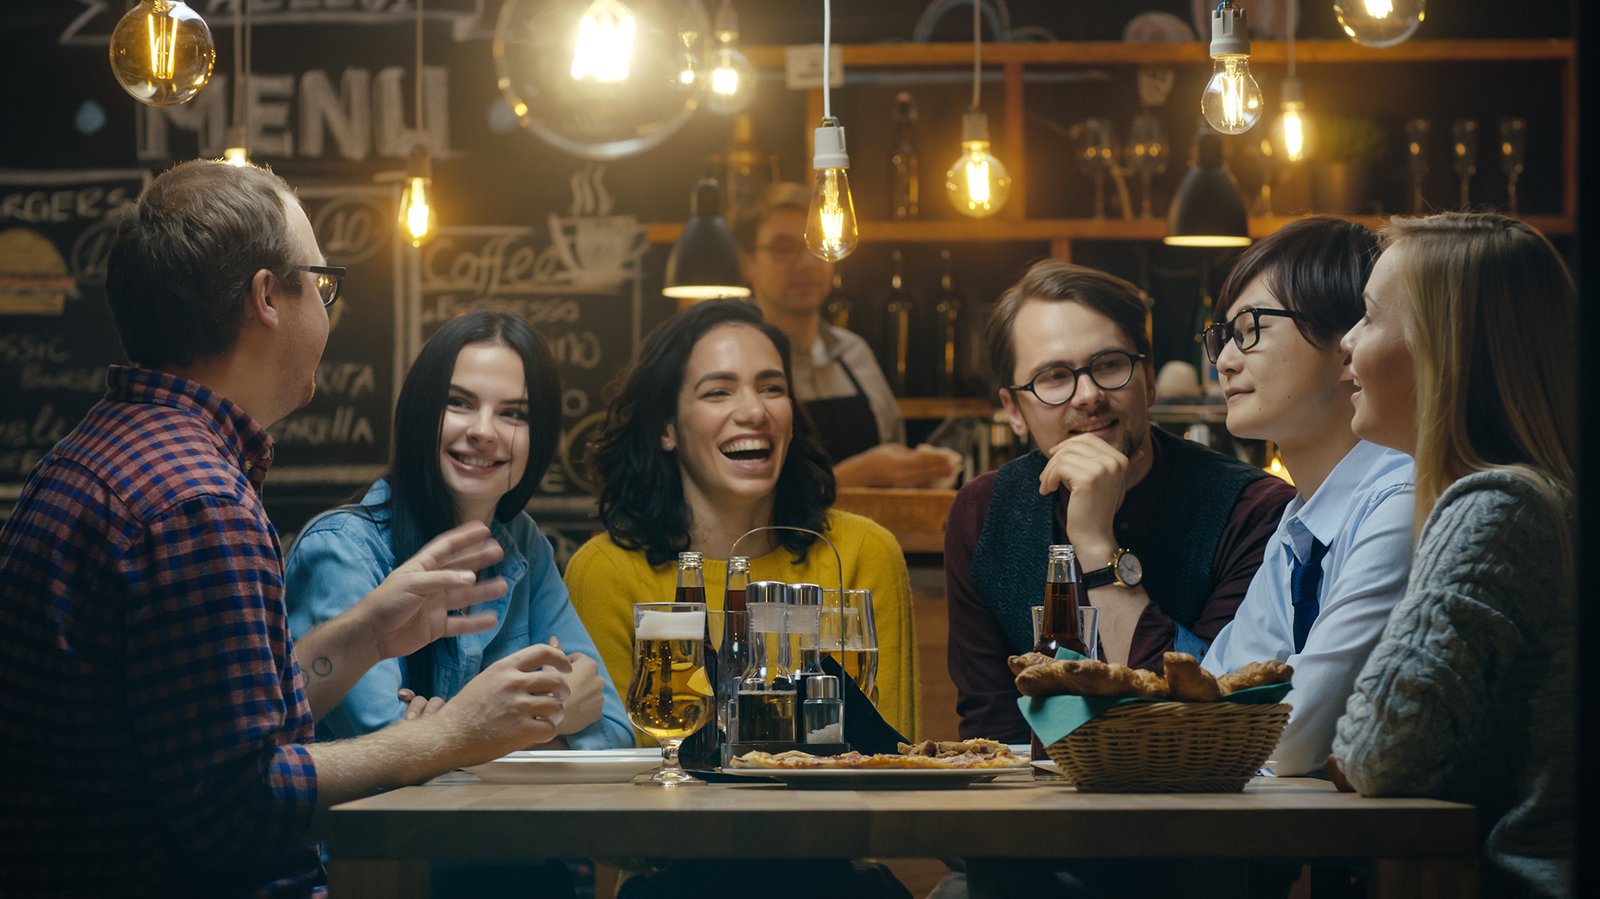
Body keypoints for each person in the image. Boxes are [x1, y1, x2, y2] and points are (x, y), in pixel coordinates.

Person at [0, 160, 574, 898]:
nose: (330, 309)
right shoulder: (197, 501)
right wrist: (449, 734)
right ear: (268, 297)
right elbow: (239, 803)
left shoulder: (112, 448)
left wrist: (366, 631)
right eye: (322, 282)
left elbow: (206, 734)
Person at [945, 259, 1296, 743]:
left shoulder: (1253, 509)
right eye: (1053, 377)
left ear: (1148, 380)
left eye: (1109, 365)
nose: (1088, 395)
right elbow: (992, 729)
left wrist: (1094, 544)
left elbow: (1204, 723)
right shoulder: (982, 513)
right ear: (1013, 410)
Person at [1330, 212, 1575, 897]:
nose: (1345, 343)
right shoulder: (1536, 497)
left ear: (1446, 348)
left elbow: (1379, 750)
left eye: (1370, 318)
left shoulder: (1500, 507)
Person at [565, 298, 919, 741]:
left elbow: (893, 759)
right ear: (666, 428)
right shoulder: (606, 573)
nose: (755, 412)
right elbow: (614, 771)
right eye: (718, 391)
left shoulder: (863, 552)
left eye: (772, 388)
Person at [285, 310, 631, 749]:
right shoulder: (342, 551)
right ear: (420, 412)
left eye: (513, 413)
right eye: (460, 403)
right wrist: (553, 716)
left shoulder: (523, 544)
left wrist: (458, 730)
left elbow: (615, 733)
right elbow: (389, 759)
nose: (484, 431)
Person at [1198, 217, 1414, 778]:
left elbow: (1292, 736)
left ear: (1349, 347)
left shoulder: (1402, 501)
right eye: (1221, 336)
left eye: (1250, 329)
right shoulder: (1300, 523)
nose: (1224, 360)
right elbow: (1213, 697)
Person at [735, 181, 953, 488]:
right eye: (784, 248)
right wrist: (852, 478)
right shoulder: (736, 361)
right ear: (748, 263)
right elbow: (736, 492)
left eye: (817, 244)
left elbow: (892, 441)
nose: (807, 262)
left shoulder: (853, 352)